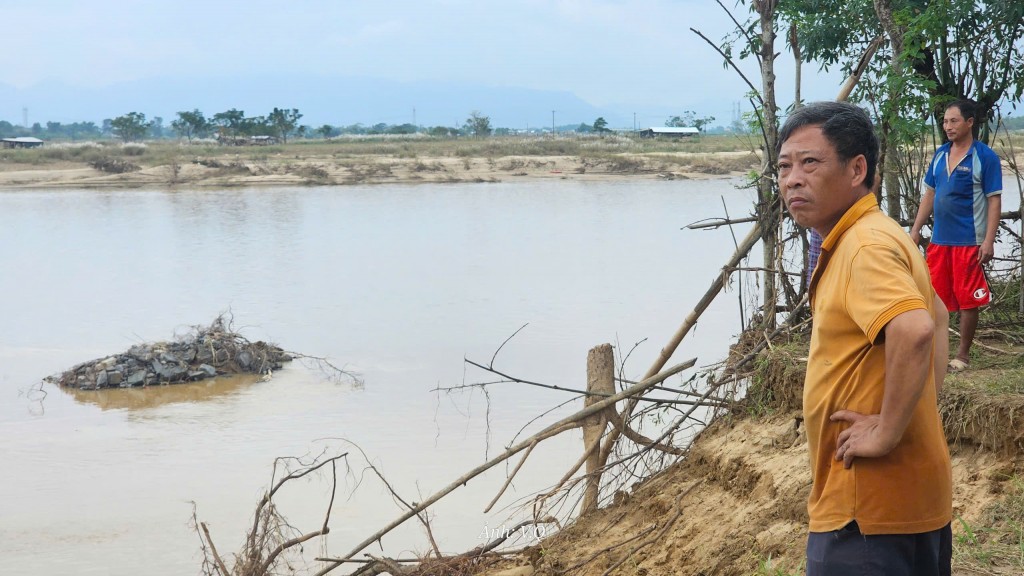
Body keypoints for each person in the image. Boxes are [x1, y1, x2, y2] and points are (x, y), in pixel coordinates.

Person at [778, 101, 952, 576]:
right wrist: (916, 407)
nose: (793, 178)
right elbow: (936, 315)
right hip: (907, 502)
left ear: (858, 169)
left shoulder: (863, 246)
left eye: (810, 162)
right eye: (785, 165)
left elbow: (914, 329)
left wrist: (888, 429)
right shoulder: (882, 233)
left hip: (865, 514)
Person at [910, 98, 1002, 372]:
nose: (947, 126)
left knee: (967, 300)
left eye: (954, 121)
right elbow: (930, 193)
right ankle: (934, 353)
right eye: (945, 121)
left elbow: (994, 201)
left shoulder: (984, 157)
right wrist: (915, 229)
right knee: (933, 297)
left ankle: (962, 356)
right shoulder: (940, 154)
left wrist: (988, 240)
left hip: (969, 242)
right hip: (939, 241)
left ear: (970, 122)